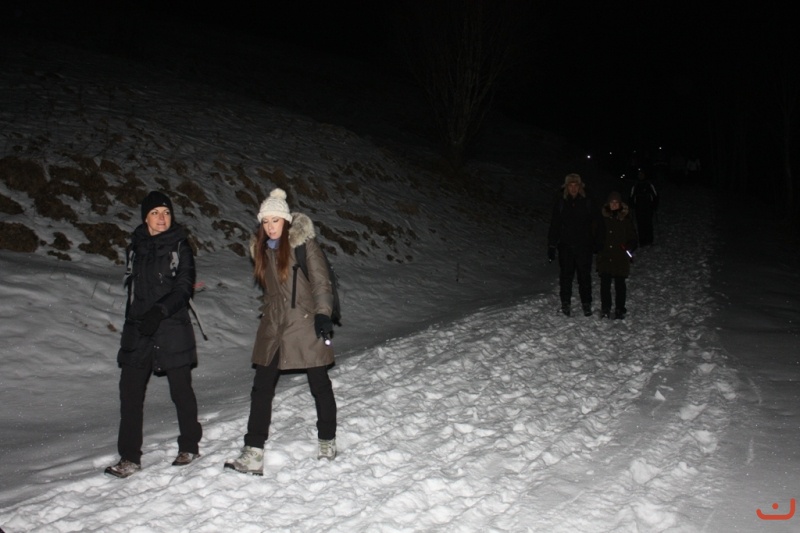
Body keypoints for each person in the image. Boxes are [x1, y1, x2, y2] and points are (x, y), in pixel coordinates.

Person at [225, 188, 337, 475]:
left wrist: (323, 315)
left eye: (275, 220)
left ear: (286, 221)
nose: (270, 226)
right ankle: (253, 452)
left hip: (305, 323)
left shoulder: (304, 246)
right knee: (261, 387)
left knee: (319, 384)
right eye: (265, 221)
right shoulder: (263, 250)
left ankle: (327, 439)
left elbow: (321, 283)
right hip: (274, 326)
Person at [105, 191, 202, 478]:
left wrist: (159, 312)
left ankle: (189, 445)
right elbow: (133, 291)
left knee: (180, 390)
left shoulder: (180, 246)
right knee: (130, 393)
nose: (162, 218)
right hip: (139, 331)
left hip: (171, 327)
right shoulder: (134, 247)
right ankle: (129, 457)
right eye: (155, 213)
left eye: (167, 212)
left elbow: (183, 287)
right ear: (145, 217)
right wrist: (133, 323)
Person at [547, 173, 603, 317]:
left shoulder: (588, 202)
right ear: (566, 187)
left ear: (580, 186)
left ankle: (586, 303)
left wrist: (597, 241)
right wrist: (552, 245)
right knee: (566, 276)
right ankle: (565, 303)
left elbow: (598, 222)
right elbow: (555, 224)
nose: (573, 188)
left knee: (584, 276)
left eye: (575, 185)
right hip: (566, 245)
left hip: (584, 245)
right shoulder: (561, 203)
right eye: (570, 185)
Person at [596, 192, 638, 319]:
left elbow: (633, 237)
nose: (614, 205)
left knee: (620, 284)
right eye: (612, 202)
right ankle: (606, 308)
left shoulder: (625, 219)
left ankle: (620, 308)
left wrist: (629, 246)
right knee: (605, 284)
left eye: (616, 202)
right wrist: (597, 244)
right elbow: (595, 233)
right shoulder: (602, 219)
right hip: (605, 255)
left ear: (620, 204)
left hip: (620, 256)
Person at [628, 169, 659, 246]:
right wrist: (632, 205)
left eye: (642, 174)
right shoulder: (635, 185)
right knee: (640, 224)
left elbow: (655, 195)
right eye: (639, 174)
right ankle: (642, 241)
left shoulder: (649, 184)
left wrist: (655, 205)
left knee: (648, 223)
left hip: (648, 207)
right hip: (639, 208)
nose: (641, 176)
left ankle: (649, 240)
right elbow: (631, 196)